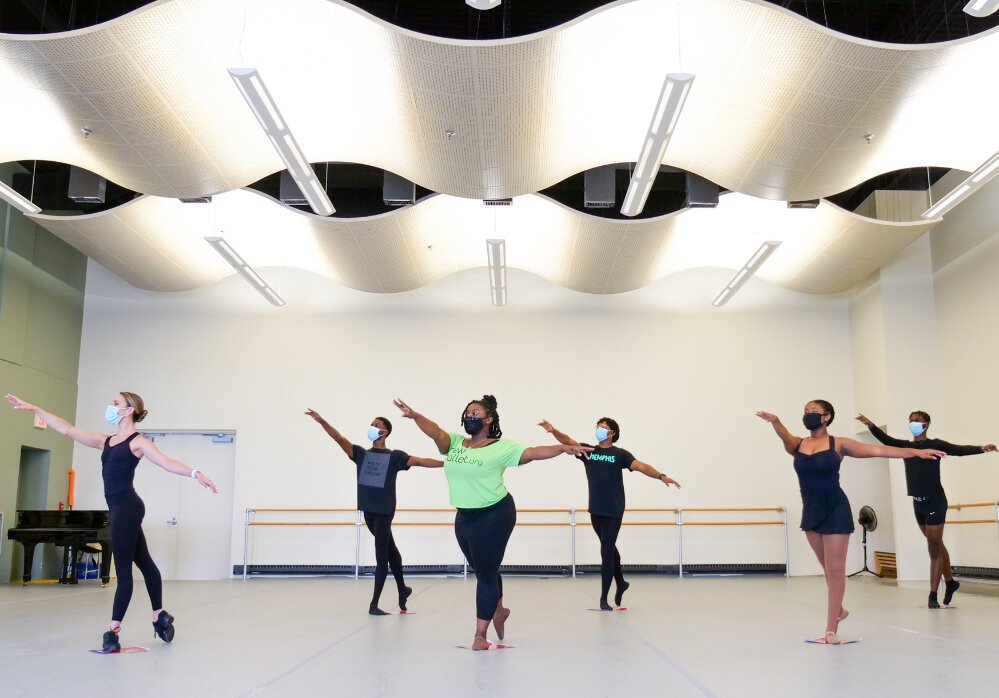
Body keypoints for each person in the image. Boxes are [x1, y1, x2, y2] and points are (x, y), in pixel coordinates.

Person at [5, 392, 217, 653]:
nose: (111, 406)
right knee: (146, 562)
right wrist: (35, 407)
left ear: (129, 410)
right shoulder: (105, 441)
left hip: (127, 509)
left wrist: (195, 473)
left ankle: (113, 631)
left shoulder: (137, 442)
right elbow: (68, 429)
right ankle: (159, 615)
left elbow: (165, 462)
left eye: (116, 403)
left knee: (125, 572)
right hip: (120, 509)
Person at [393, 395, 591, 650]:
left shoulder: (501, 447)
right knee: (484, 569)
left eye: (475, 414)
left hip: (495, 513)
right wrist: (415, 416)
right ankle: (499, 610)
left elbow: (532, 453)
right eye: (467, 413)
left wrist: (562, 448)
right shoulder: (454, 444)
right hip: (464, 516)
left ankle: (479, 634)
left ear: (489, 419)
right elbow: (436, 432)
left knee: (485, 575)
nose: (469, 417)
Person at [756, 400, 945, 644]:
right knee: (827, 569)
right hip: (811, 509)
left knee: (835, 571)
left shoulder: (839, 444)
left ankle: (830, 629)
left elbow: (879, 451)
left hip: (835, 507)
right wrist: (775, 421)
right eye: (805, 412)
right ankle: (840, 610)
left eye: (814, 412)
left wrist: (916, 452)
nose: (808, 416)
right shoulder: (798, 444)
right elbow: (785, 437)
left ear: (827, 417)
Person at [305, 408, 442, 614]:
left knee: (382, 557)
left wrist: (449, 465)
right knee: (392, 553)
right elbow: (338, 438)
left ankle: (374, 604)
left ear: (385, 432)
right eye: (372, 424)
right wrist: (322, 420)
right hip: (368, 511)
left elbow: (421, 461)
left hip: (384, 512)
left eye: (377, 425)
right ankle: (403, 590)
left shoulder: (395, 456)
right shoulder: (360, 454)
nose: (373, 427)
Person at [856, 411, 996, 608]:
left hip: (935, 501)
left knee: (933, 548)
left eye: (918, 421)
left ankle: (932, 596)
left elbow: (958, 449)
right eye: (911, 420)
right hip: (918, 503)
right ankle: (950, 582)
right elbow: (886, 439)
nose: (913, 423)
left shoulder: (936, 444)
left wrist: (982, 448)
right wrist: (870, 425)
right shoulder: (906, 446)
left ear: (927, 424)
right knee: (936, 545)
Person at [538, 417, 680, 609]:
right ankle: (621, 582)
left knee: (606, 550)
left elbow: (641, 466)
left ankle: (604, 599)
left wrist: (661, 476)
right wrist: (553, 430)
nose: (600, 430)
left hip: (614, 508)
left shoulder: (620, 454)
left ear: (612, 433)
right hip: (595, 508)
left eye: (604, 428)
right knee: (609, 546)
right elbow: (568, 441)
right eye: (598, 427)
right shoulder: (589, 451)